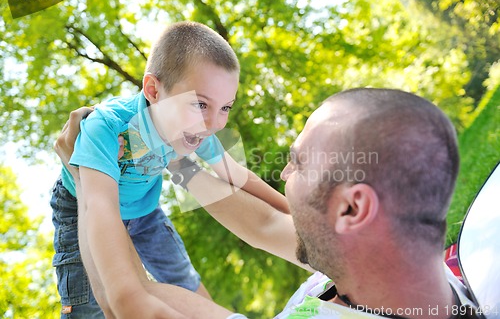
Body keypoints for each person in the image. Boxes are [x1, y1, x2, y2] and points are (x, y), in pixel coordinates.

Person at [55, 88, 480, 318]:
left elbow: (128, 301)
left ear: (352, 209)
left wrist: (87, 177)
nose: (282, 175)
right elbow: (262, 226)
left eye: (298, 164)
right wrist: (175, 153)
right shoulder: (390, 266)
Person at [50, 21, 289, 318]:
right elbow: (99, 206)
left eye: (225, 107)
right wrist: (126, 296)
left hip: (143, 209)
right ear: (153, 90)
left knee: (182, 278)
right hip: (80, 202)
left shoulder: (193, 127)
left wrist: (294, 214)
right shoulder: (107, 127)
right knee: (88, 305)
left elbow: (238, 176)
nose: (215, 123)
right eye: (201, 104)